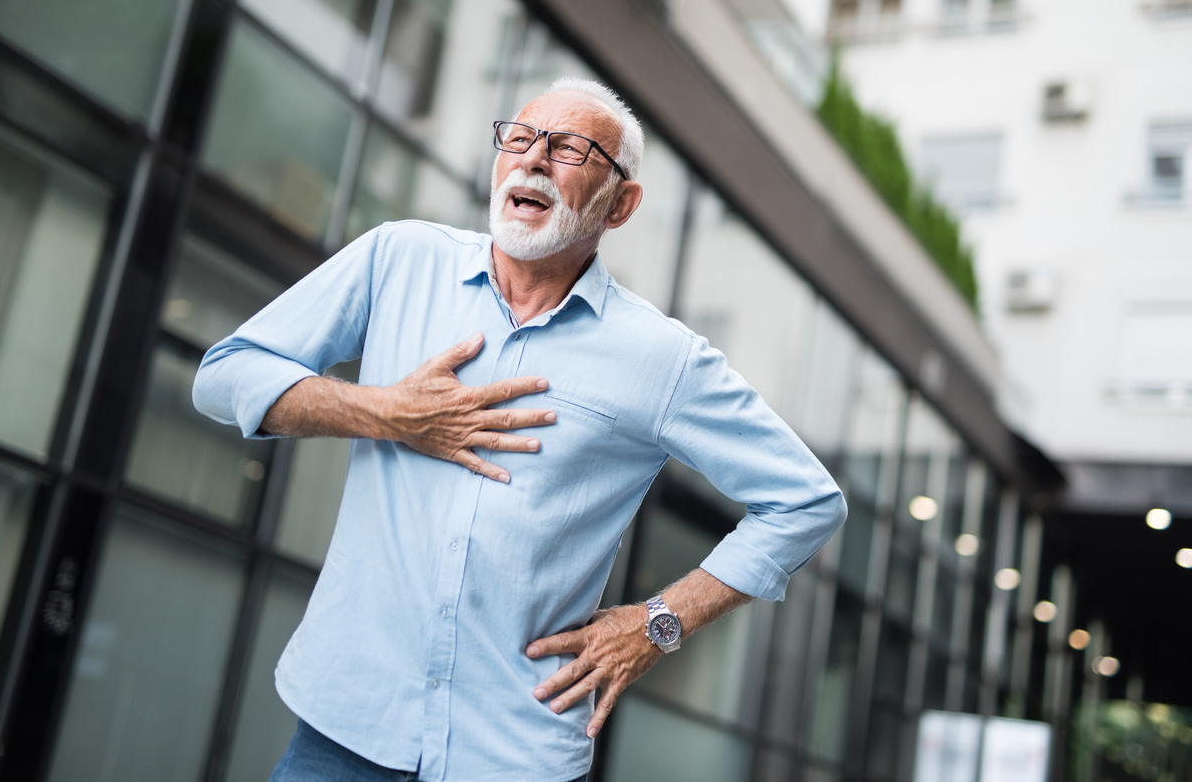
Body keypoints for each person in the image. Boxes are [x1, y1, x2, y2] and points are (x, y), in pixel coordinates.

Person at [193, 77, 846, 782]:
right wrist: (388, 412)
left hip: (512, 756)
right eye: (520, 137)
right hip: (345, 731)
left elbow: (806, 500)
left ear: (621, 203)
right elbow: (225, 374)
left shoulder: (662, 358)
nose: (533, 158)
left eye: (569, 148)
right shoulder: (400, 258)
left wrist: (660, 622)